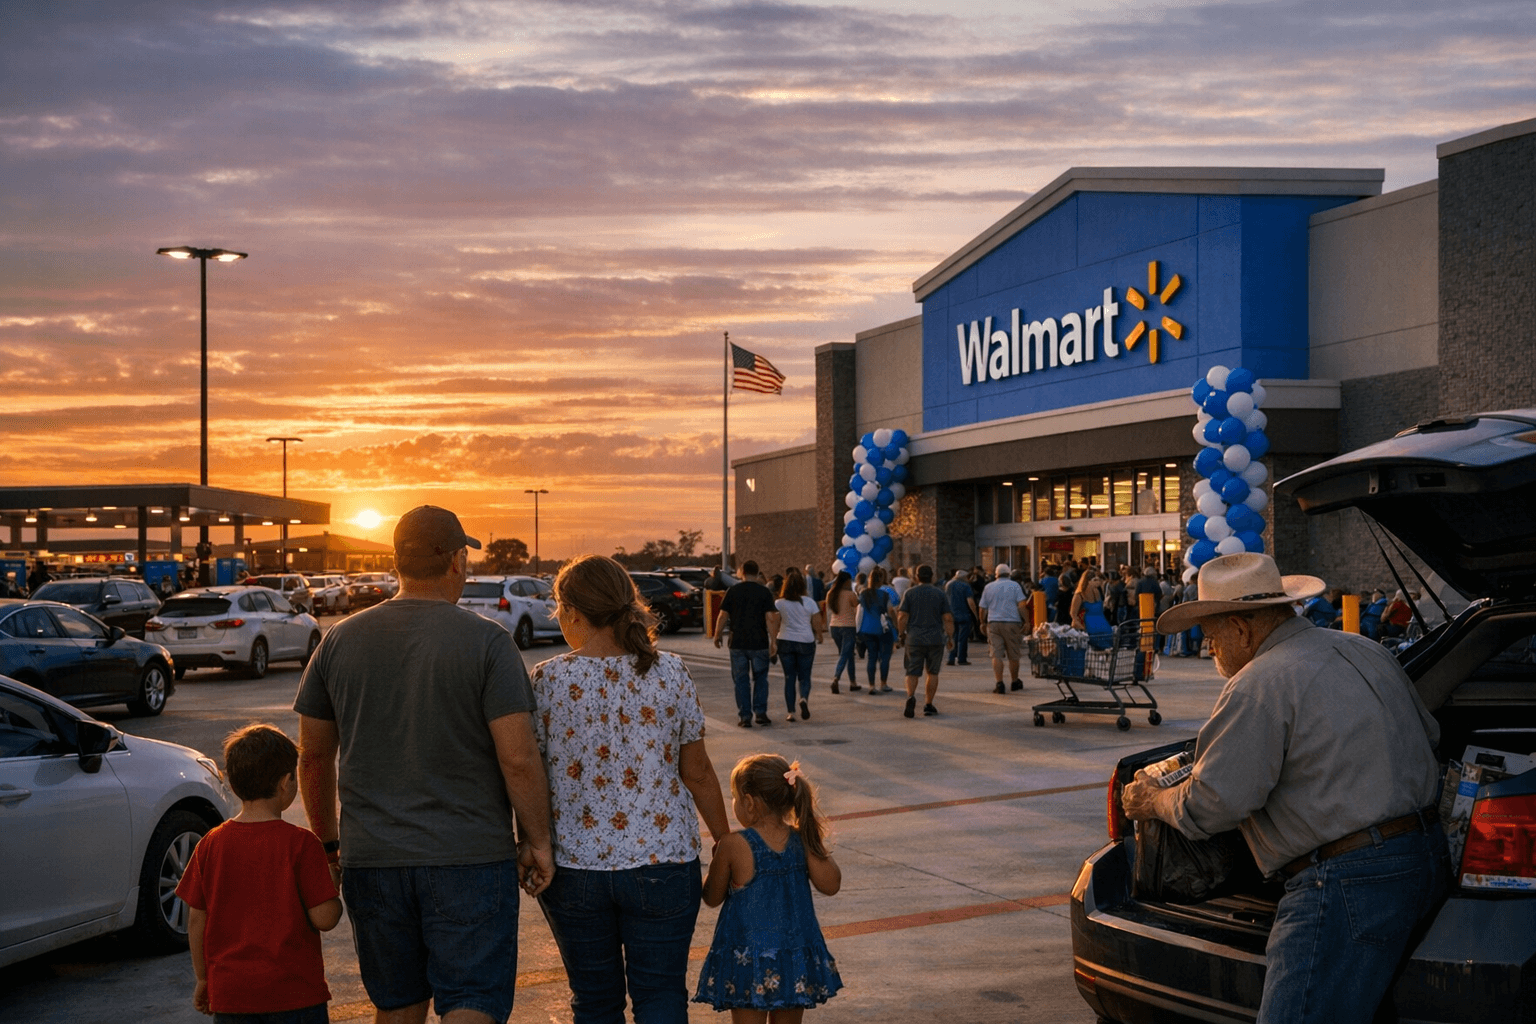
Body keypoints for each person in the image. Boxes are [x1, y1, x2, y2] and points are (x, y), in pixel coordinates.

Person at [1121, 553, 1447, 1024]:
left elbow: (1213, 805)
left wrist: (1154, 800)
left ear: (1241, 628)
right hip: (1425, 856)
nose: (1210, 650)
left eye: (1212, 638)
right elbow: (1430, 736)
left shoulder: (1257, 683)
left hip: (1345, 881)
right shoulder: (1367, 650)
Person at [295, 505, 555, 1024]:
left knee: (396, 1005)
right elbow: (518, 757)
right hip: (469, 859)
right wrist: (538, 840)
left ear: (397, 562)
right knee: (471, 1002)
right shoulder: (488, 642)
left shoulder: (339, 639)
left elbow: (314, 755)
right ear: (457, 561)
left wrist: (327, 846)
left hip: (373, 861)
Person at [530, 554, 732, 1023]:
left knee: (595, 1002)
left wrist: (531, 840)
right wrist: (724, 839)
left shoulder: (547, 679)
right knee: (661, 995)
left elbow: (530, 772)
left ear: (572, 612)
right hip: (664, 863)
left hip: (575, 868)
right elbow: (698, 772)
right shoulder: (671, 671)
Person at [177, 724, 342, 1022]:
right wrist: (333, 884)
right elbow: (325, 918)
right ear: (286, 783)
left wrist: (203, 978)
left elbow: (196, 918)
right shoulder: (302, 844)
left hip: (232, 997)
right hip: (295, 996)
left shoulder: (210, 844)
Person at [694, 754, 843, 1019]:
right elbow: (831, 884)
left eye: (734, 797)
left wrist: (715, 867)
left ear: (749, 802)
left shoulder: (733, 845)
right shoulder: (801, 839)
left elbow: (712, 897)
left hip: (747, 961)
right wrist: (813, 841)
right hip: (793, 961)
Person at [716, 559, 778, 728]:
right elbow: (770, 618)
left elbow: (723, 615)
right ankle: (761, 713)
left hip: (737, 643)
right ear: (757, 573)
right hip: (759, 642)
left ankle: (745, 716)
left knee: (741, 681)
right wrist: (773, 641)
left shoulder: (733, 591)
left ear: (742, 572)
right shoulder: (764, 592)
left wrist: (717, 634)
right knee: (761, 679)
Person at [769, 567, 827, 721]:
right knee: (805, 676)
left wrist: (773, 642)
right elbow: (817, 622)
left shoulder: (779, 603)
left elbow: (774, 623)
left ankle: (791, 713)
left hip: (785, 641)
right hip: (806, 641)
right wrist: (820, 635)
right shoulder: (810, 602)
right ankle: (803, 699)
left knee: (789, 677)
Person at [896, 564, 954, 718]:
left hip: (914, 638)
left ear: (916, 577)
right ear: (932, 577)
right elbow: (947, 618)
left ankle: (911, 696)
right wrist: (950, 637)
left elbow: (902, 616)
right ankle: (928, 704)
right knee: (933, 672)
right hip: (935, 638)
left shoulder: (909, 593)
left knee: (912, 671)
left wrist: (901, 634)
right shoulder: (940, 594)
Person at [977, 563, 1028, 694]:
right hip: (1012, 623)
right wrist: (1027, 621)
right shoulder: (1015, 586)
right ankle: (1015, 681)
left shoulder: (988, 587)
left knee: (996, 655)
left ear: (996, 574)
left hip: (994, 623)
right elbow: (1022, 605)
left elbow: (982, 608)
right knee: (1013, 654)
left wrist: (982, 622)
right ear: (1009, 574)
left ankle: (999, 683)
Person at [855, 566, 898, 692]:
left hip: (867, 629)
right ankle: (883, 683)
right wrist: (896, 626)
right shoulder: (884, 595)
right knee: (885, 657)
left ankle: (871, 685)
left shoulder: (863, 594)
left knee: (871, 657)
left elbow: (859, 611)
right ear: (881, 580)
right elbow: (890, 611)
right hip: (882, 628)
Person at [825, 571, 859, 693]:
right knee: (845, 654)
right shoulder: (850, 594)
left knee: (848, 654)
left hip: (834, 626)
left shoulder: (830, 593)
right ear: (847, 581)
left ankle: (853, 682)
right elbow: (857, 607)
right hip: (848, 626)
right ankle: (836, 677)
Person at [944, 569, 977, 667]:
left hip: (951, 615)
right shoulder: (965, 586)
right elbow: (970, 601)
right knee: (962, 639)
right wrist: (975, 614)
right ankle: (962, 659)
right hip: (964, 615)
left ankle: (951, 658)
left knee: (952, 637)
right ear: (964, 577)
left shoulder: (948, 584)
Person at [1070, 567, 1111, 640]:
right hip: (1086, 630)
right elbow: (1073, 614)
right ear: (1088, 581)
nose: (1099, 582)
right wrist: (1082, 629)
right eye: (1096, 580)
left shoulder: (1097, 591)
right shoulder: (1079, 595)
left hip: (1101, 628)